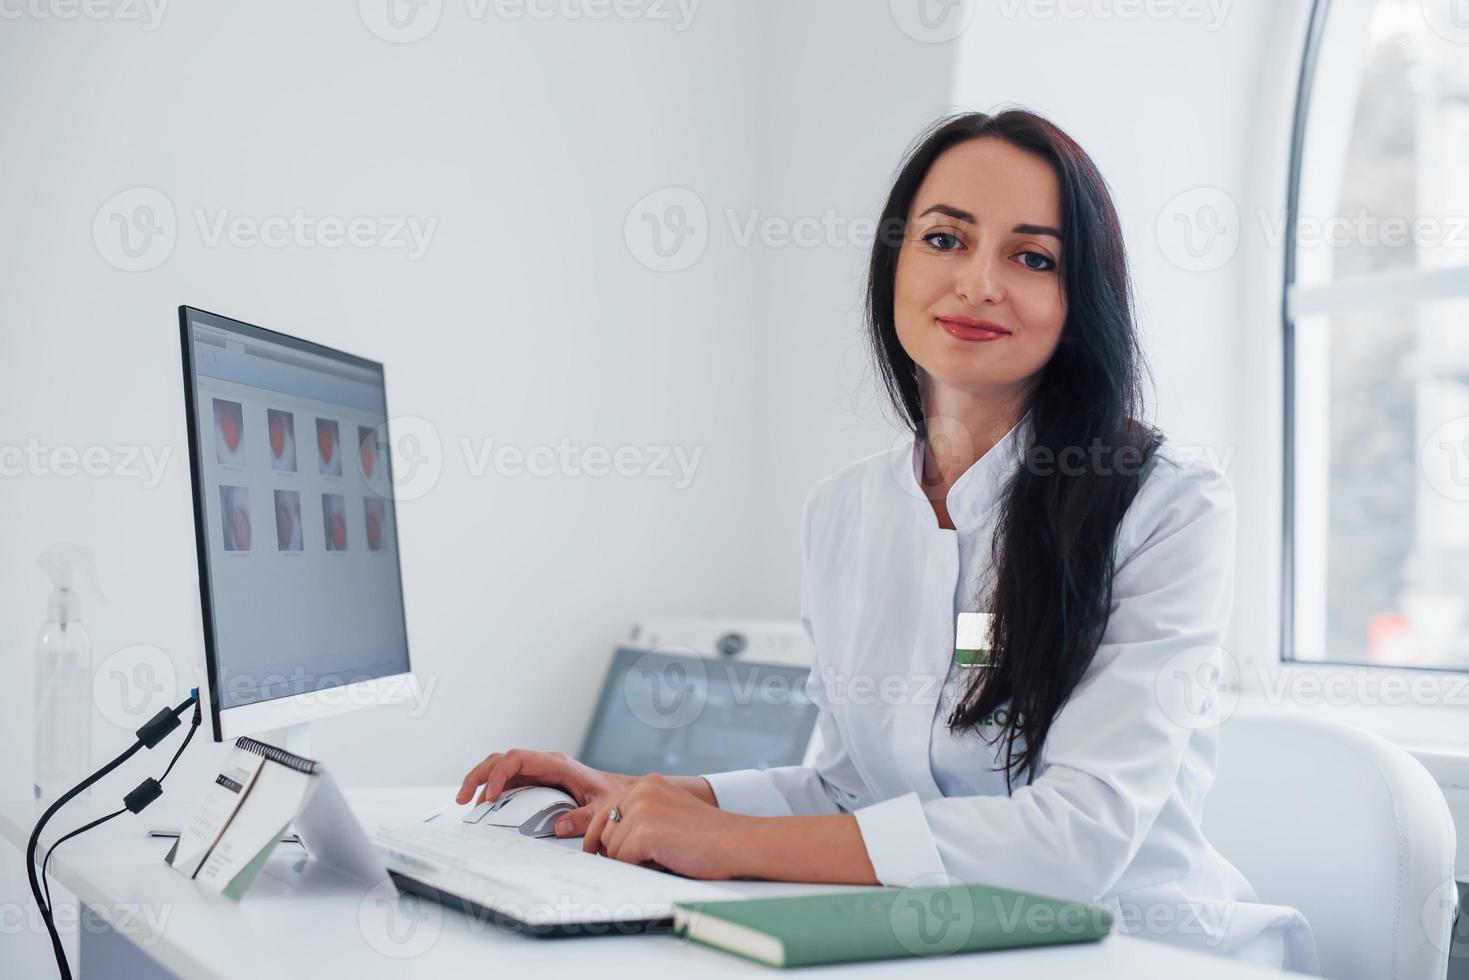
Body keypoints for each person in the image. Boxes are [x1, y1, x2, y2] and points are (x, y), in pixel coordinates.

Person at [457, 109, 1318, 972]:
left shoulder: (1166, 508)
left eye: (1032, 257)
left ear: (1078, 298)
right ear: (894, 264)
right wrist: (655, 798)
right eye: (945, 239)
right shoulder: (843, 512)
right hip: (932, 946)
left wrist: (723, 841)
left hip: (1140, 951)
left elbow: (1073, 845)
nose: (979, 282)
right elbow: (847, 789)